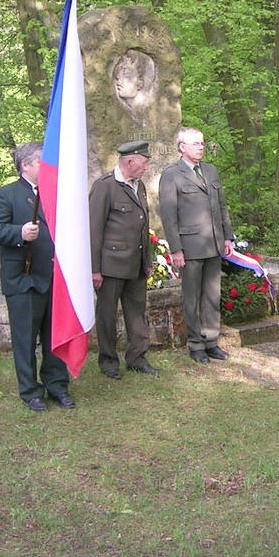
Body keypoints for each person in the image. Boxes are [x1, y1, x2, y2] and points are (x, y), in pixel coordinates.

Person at [0, 143, 75, 412]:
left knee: (54, 337)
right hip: (24, 279)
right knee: (25, 340)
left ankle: (57, 386)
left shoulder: (55, 193)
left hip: (54, 278)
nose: (47, 166)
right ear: (25, 165)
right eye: (41, 162)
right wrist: (20, 233)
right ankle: (30, 391)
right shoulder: (6, 195)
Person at [159, 128, 234, 363]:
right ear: (182, 147)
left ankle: (211, 341)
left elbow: (221, 206)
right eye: (195, 144)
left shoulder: (210, 171)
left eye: (202, 143)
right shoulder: (172, 175)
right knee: (192, 297)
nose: (201, 147)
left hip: (214, 243)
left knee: (212, 295)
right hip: (190, 246)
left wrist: (228, 237)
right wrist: (176, 249)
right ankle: (195, 344)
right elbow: (168, 215)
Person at [89, 140, 158, 379]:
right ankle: (108, 361)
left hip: (136, 264)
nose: (146, 168)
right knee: (107, 315)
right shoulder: (105, 186)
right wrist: (95, 269)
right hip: (111, 266)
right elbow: (94, 230)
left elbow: (143, 226)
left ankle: (137, 358)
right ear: (129, 162)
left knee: (137, 313)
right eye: (144, 163)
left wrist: (147, 262)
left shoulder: (139, 186)